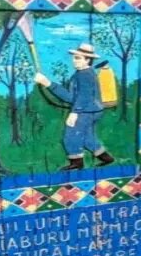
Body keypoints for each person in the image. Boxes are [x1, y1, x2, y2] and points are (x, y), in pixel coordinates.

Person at [33, 43, 114, 171]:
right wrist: (47, 83)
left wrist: (75, 113)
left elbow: (84, 96)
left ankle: (76, 162)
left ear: (88, 60)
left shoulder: (85, 75)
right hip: (92, 110)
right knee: (87, 137)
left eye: (78, 58)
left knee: (71, 135)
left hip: (86, 111)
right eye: (74, 57)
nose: (74, 60)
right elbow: (71, 97)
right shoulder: (81, 74)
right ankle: (106, 158)